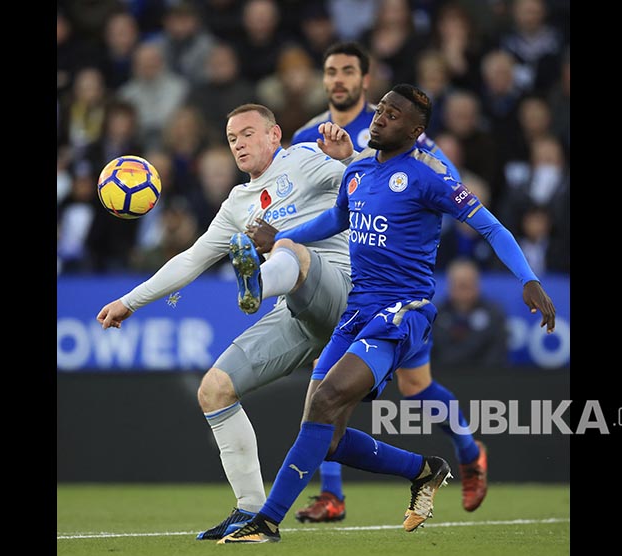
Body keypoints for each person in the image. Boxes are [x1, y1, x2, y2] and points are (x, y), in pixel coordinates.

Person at [219, 84, 555, 543]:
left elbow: (490, 226)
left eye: (393, 116)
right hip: (358, 309)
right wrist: (282, 236)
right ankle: (424, 470)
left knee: (325, 402)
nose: (379, 119)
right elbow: (337, 220)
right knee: (327, 437)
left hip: (403, 312)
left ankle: (268, 520)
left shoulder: (427, 177)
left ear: (416, 131)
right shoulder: (356, 170)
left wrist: (528, 279)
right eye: (380, 111)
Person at [97, 103, 359, 541]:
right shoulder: (237, 204)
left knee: (289, 248)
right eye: (232, 138)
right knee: (214, 389)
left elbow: (368, 186)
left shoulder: (304, 159)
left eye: (248, 134)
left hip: (345, 294)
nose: (238, 143)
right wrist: (130, 301)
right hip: (297, 311)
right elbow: (191, 260)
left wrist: (347, 157)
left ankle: (257, 278)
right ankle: (250, 513)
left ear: (275, 135)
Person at [290, 40, 490, 523]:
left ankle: (466, 449)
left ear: (365, 77)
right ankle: (333, 492)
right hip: (338, 265)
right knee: (332, 379)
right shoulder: (303, 134)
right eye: (331, 70)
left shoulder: (391, 126)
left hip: (394, 276)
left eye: (348, 71)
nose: (338, 79)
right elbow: (302, 204)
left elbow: (446, 180)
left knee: (409, 386)